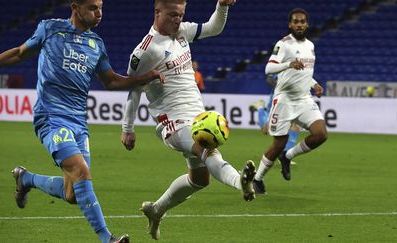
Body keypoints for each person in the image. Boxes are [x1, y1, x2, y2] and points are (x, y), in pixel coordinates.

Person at [0, 0, 164, 242]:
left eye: (101, 7)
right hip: (51, 116)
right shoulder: (50, 29)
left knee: (72, 193)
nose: (99, 13)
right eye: (92, 7)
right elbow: (19, 53)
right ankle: (108, 238)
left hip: (79, 123)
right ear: (75, 7)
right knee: (81, 172)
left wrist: (145, 77)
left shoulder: (96, 44)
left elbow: (110, 81)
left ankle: (26, 179)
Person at [120, 0, 256, 240]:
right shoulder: (145, 51)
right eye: (173, 14)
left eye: (181, 14)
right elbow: (134, 89)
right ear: (157, 12)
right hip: (172, 122)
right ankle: (240, 182)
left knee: (200, 179)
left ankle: (156, 210)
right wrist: (127, 128)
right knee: (208, 150)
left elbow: (213, 27)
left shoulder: (182, 32)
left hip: (197, 116)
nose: (178, 19)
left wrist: (222, 6)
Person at [252, 8, 328, 194]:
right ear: (290, 24)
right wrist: (288, 64)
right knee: (278, 144)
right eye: (296, 21)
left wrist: (314, 83)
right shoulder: (283, 44)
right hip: (284, 100)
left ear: (307, 24)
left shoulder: (310, 46)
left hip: (303, 99)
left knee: (321, 134)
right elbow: (268, 69)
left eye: (302, 21)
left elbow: (304, 71)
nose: (300, 24)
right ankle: (257, 179)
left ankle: (288, 156)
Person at [250, 74, 300, 164]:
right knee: (266, 130)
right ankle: (260, 107)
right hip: (274, 108)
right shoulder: (281, 66)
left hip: (287, 107)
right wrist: (280, 86)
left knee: (295, 125)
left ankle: (284, 155)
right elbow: (269, 78)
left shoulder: (295, 71)